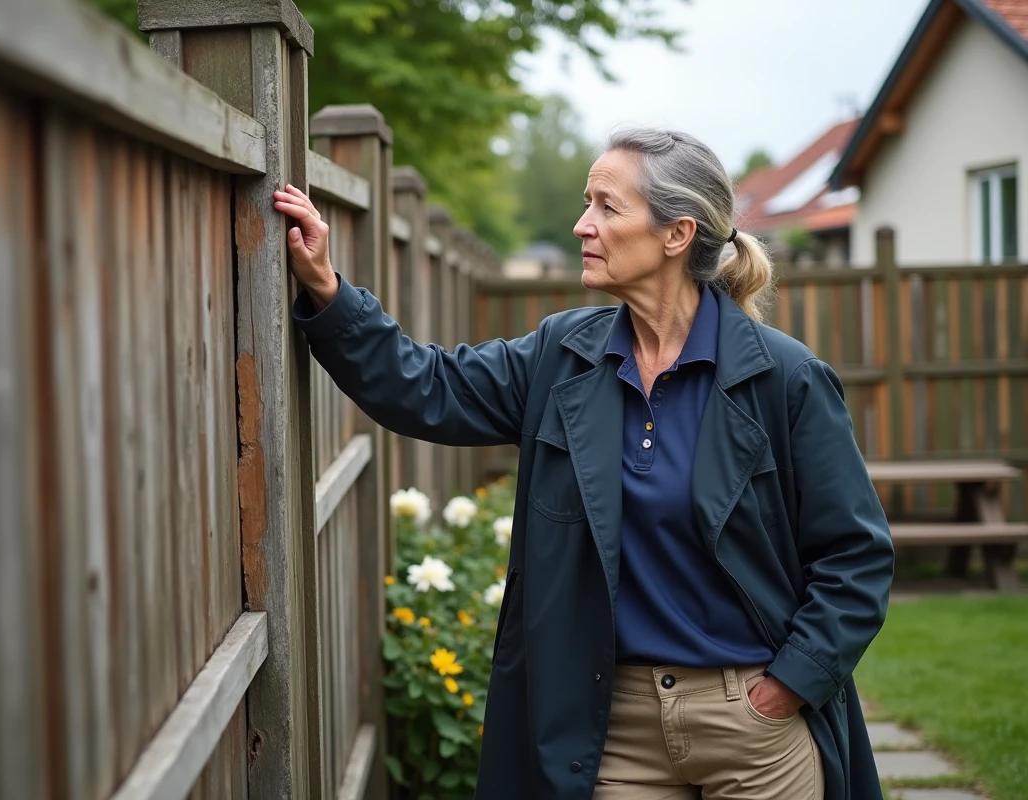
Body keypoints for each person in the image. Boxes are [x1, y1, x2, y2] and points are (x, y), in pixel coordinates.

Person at [274, 127, 893, 800]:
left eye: (606, 206)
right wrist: (329, 291)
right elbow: (427, 388)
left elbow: (855, 557)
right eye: (585, 203)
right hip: (610, 730)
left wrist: (783, 690)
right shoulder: (562, 355)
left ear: (676, 234)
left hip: (752, 727)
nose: (582, 225)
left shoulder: (785, 379)